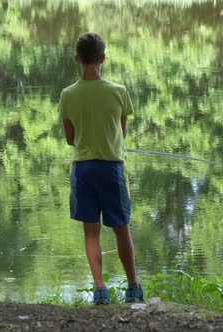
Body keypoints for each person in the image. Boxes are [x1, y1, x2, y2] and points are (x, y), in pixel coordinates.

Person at [58, 32, 143, 304]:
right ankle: (132, 288)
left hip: (83, 170)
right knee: (122, 229)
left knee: (91, 231)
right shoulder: (119, 92)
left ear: (76, 59)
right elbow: (123, 131)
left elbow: (70, 139)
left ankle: (99, 290)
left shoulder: (67, 95)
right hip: (112, 169)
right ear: (103, 58)